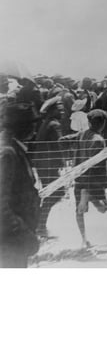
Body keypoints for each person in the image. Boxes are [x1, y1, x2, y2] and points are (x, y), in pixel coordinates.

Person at [60, 109, 107, 248]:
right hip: (94, 180)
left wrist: (70, 152)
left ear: (89, 123)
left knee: (79, 211)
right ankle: (90, 196)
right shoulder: (98, 140)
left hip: (79, 178)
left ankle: (84, 239)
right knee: (104, 208)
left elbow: (63, 140)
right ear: (103, 124)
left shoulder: (81, 134)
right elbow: (95, 166)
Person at [0, 101, 41, 267]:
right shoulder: (8, 153)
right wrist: (23, 233)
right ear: (21, 127)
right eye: (32, 124)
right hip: (10, 241)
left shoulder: (13, 148)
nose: (35, 129)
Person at [32, 96, 65, 237]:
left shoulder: (46, 123)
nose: (62, 111)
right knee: (56, 193)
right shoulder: (54, 125)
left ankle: (39, 225)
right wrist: (62, 163)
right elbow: (59, 145)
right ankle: (39, 225)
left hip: (43, 164)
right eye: (59, 109)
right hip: (49, 165)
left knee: (50, 193)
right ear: (52, 110)